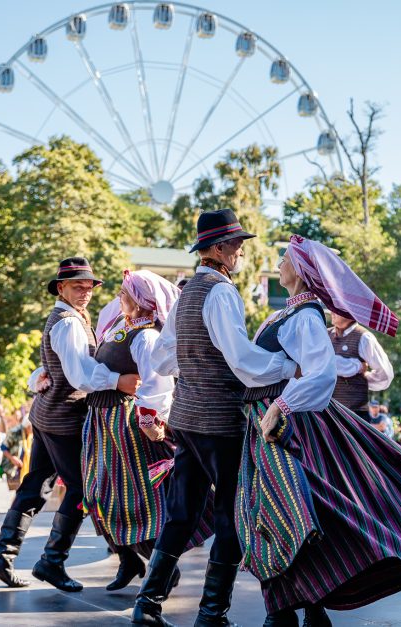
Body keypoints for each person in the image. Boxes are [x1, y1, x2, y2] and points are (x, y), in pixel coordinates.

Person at [238, 236, 401, 626]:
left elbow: (320, 375)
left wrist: (280, 406)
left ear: (302, 270)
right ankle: (308, 607)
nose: (279, 262)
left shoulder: (305, 316)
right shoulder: (288, 314)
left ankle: (287, 610)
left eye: (285, 257)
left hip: (290, 425)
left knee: (288, 511)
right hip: (282, 420)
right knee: (302, 510)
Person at [132, 209, 298, 627]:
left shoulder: (186, 291)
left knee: (181, 514)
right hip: (219, 420)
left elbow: (161, 357)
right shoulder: (221, 291)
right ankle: (211, 614)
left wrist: (193, 367)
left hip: (186, 417)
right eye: (237, 245)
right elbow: (241, 360)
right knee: (231, 514)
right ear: (221, 248)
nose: (241, 251)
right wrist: (286, 365)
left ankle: (147, 606)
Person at [0, 257, 139, 592]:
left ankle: (2, 555)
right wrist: (119, 381)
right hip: (64, 419)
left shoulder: (70, 317)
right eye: (77, 286)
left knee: (35, 485)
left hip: (48, 415)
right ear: (61, 288)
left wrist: (40, 376)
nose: (85, 292)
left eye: (88, 287)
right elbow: (79, 373)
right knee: (84, 491)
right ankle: (52, 561)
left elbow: (56, 367)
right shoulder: (68, 322)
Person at [82, 269, 211, 592]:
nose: (120, 297)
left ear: (140, 301)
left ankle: (161, 569)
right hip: (104, 421)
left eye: (126, 293)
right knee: (98, 493)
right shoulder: (121, 327)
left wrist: (150, 418)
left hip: (125, 424)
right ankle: (129, 560)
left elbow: (157, 383)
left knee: (137, 498)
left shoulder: (148, 336)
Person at [329, 312, 394, 419]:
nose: (332, 311)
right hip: (326, 413)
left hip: (354, 414)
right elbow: (316, 363)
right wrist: (356, 366)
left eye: (337, 309)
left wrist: (362, 378)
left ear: (349, 311)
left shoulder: (364, 337)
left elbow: (385, 375)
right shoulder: (324, 335)